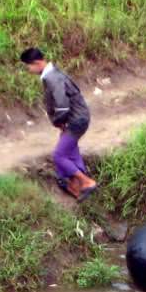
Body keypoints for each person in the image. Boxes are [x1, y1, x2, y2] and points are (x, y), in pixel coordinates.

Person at [20, 47, 98, 201]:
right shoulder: (53, 73)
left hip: (76, 120)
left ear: (36, 63)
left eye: (28, 66)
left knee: (59, 155)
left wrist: (59, 121)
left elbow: (62, 104)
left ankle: (87, 182)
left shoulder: (52, 78)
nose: (28, 70)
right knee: (70, 148)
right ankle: (77, 184)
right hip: (78, 117)